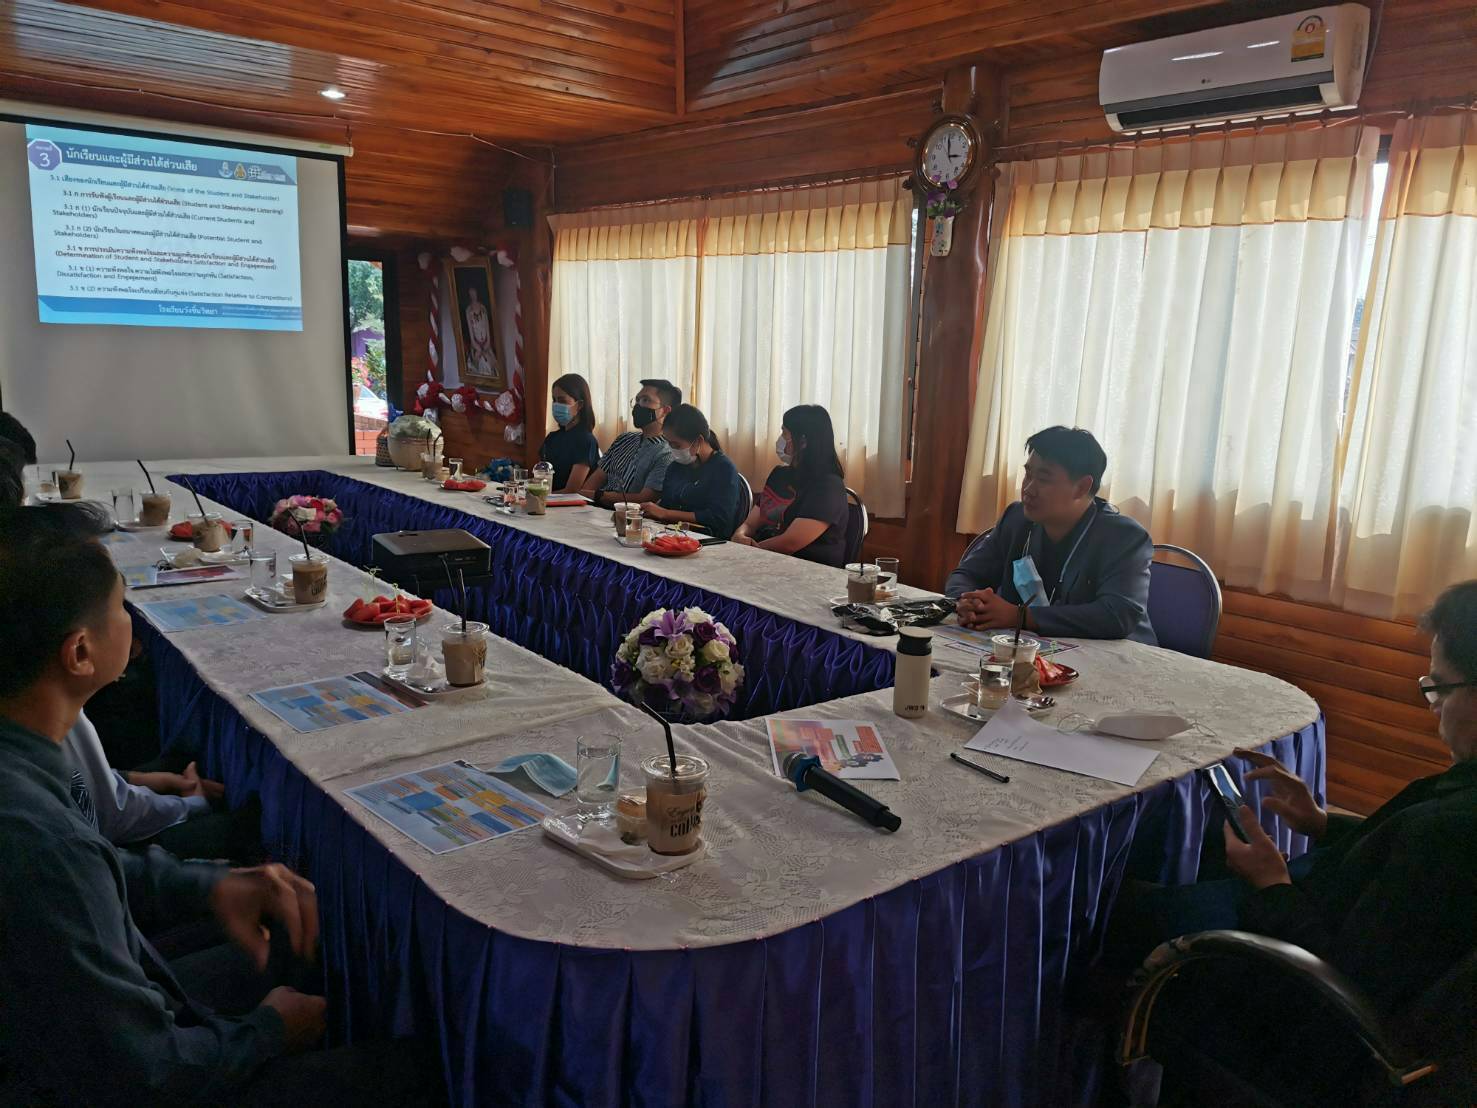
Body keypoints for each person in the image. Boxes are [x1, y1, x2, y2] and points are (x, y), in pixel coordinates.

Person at [0, 504, 434, 1103]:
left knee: (300, 941)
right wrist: (271, 1030)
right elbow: (148, 1073)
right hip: (123, 1072)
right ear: (79, 654)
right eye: (122, 607)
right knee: (411, 1070)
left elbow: (92, 871)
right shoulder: (41, 841)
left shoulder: (28, 767)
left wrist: (207, 885)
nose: (131, 621)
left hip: (108, 1014)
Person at [1113, 580, 1477, 1022]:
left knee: (1115, 913)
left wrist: (1271, 883)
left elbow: (1343, 985)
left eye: (1441, 688)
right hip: (1315, 897)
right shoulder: (1458, 798)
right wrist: (1322, 824)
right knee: (1205, 847)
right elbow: (1392, 850)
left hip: (1278, 979)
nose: (1432, 705)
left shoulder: (1449, 836)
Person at [946, 426, 1156, 644]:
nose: (1028, 489)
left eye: (1043, 479)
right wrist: (967, 602)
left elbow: (1118, 614)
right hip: (1031, 647)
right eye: (1028, 474)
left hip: (1116, 655)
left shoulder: (1124, 537)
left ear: (1082, 487)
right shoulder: (1016, 519)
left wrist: (1021, 617)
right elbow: (966, 574)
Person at [733, 404, 851, 567]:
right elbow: (750, 523)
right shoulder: (779, 475)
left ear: (803, 441)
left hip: (808, 570)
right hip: (765, 561)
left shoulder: (828, 487)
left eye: (785, 433)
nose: (780, 439)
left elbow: (790, 543)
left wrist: (748, 552)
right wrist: (740, 535)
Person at [643, 404, 746, 539]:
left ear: (698, 441)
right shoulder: (675, 467)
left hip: (708, 540)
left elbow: (718, 518)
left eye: (676, 445)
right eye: (669, 444)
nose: (672, 449)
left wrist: (665, 514)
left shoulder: (724, 469)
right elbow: (666, 504)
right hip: (671, 535)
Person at [580, 378, 680, 509]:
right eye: (637, 400)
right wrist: (585, 498)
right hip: (594, 511)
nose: (638, 406)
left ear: (665, 410)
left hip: (630, 517)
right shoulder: (624, 439)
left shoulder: (667, 453)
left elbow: (644, 499)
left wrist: (599, 496)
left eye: (646, 400)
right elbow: (591, 485)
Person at [539, 373, 600, 492]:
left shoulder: (586, 441)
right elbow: (539, 480)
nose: (556, 405)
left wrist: (543, 497)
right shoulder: (552, 438)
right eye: (554, 400)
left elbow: (571, 491)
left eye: (562, 400)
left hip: (568, 502)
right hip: (547, 499)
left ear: (579, 405)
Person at [463, 285, 496, 378]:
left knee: (491, 362)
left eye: (474, 293)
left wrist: (488, 341)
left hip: (486, 340)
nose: (473, 295)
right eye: (471, 294)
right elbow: (470, 329)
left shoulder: (483, 308)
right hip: (476, 342)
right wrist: (474, 344)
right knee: (478, 362)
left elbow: (487, 325)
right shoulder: (468, 310)